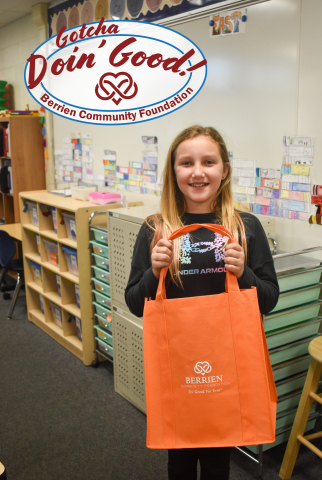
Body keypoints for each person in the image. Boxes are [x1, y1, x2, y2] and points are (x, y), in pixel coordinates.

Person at [125, 125, 279, 480]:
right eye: (186, 163)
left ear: (224, 169)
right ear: (173, 171)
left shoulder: (245, 228)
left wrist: (245, 275)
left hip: (225, 369)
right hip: (177, 367)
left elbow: (268, 299)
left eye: (208, 162)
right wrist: (154, 271)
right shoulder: (155, 229)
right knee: (178, 458)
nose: (197, 172)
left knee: (216, 459)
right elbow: (135, 302)